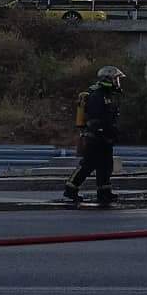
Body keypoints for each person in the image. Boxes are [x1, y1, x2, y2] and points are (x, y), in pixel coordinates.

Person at [63, 65, 125, 207]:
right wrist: (104, 131)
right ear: (108, 79)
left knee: (106, 165)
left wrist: (112, 132)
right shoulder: (97, 94)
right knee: (88, 164)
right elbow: (97, 118)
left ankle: (104, 192)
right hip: (96, 137)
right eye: (116, 79)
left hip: (105, 137)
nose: (117, 82)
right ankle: (70, 189)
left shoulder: (107, 94)